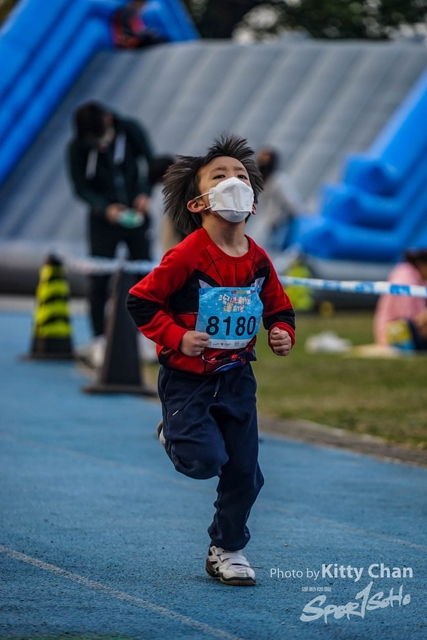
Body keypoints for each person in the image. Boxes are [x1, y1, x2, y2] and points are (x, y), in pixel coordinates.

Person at [127, 134, 296, 586]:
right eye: (220, 176)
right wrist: (178, 337)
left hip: (237, 378)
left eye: (241, 176)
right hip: (188, 380)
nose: (234, 181)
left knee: (246, 473)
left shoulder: (259, 259)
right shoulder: (186, 254)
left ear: (254, 202)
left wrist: (282, 333)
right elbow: (141, 301)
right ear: (199, 202)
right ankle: (174, 433)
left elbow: (280, 309)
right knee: (203, 460)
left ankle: (228, 548)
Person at [67, 101, 154, 365]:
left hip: (136, 214)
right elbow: (80, 187)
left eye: (101, 136)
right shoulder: (78, 147)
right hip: (104, 220)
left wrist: (143, 193)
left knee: (145, 275)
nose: (99, 143)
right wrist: (105, 208)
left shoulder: (130, 130)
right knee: (99, 278)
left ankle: (145, 336)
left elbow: (150, 164)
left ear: (107, 119)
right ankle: (100, 340)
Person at [246, 146, 304, 251]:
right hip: (273, 223)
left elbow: (290, 201)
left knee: (278, 251)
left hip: (284, 222)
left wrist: (298, 215)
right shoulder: (264, 180)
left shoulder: (278, 179)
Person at [373, 248, 427, 351]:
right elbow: (406, 318)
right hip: (394, 333)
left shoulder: (419, 278)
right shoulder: (404, 282)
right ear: (421, 265)